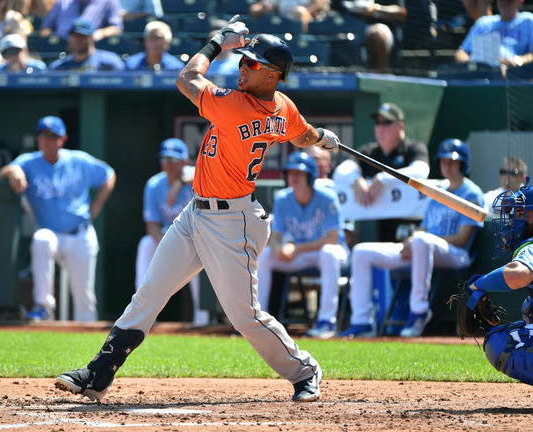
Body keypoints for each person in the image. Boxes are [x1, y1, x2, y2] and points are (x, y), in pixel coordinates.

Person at [54, 16, 342, 403]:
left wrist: (215, 43)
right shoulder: (281, 107)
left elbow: (186, 79)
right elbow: (302, 133)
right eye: (242, 60)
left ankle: (304, 369)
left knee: (245, 317)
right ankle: (98, 372)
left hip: (233, 221)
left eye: (253, 64)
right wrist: (322, 137)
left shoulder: (236, 106)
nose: (243, 66)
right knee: (150, 292)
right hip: (196, 214)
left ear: (273, 75)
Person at [338, 139, 484, 338]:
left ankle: (419, 311)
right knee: (362, 251)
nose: (447, 166)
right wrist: (409, 243)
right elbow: (423, 228)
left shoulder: (471, 193)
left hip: (457, 254)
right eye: (443, 161)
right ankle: (362, 321)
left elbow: (461, 239)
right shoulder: (439, 191)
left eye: (452, 161)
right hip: (425, 248)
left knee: (421, 241)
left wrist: (419, 241)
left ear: (463, 163)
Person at [467, 181, 533, 414]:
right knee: (532, 312)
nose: (514, 220)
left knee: (503, 340)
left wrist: (478, 284)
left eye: (522, 213)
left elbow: (517, 275)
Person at [0, 116, 117, 322]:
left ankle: (88, 338)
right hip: (51, 233)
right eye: (43, 135)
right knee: (41, 239)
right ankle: (43, 306)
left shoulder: (78, 160)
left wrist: (96, 207)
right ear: (38, 139)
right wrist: (14, 170)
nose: (47, 140)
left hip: (80, 233)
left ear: (62, 139)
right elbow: (5, 170)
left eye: (52, 136)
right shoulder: (29, 162)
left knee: (85, 298)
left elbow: (108, 174)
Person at [257, 152, 348, 339]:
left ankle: (326, 322)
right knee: (265, 256)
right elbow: (275, 236)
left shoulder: (327, 197)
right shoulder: (283, 198)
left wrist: (297, 249)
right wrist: (277, 249)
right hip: (303, 255)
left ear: (311, 175)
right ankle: (258, 320)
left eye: (300, 173)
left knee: (328, 253)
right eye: (291, 172)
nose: (294, 177)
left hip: (333, 255)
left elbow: (332, 239)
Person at [135, 138, 210, 327]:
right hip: (167, 236)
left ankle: (202, 320)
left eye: (174, 159)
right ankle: (141, 315)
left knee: (199, 254)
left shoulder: (196, 175)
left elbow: (212, 174)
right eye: (165, 159)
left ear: (185, 162)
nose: (168, 164)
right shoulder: (154, 184)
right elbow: (151, 225)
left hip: (195, 237)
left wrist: (180, 183)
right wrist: (166, 245)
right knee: (146, 244)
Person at [334, 102, 429, 243]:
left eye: (387, 122)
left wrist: (383, 179)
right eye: (378, 122)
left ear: (401, 125)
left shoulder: (413, 148)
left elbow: (421, 171)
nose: (380, 127)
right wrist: (356, 180)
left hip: (411, 228)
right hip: (378, 230)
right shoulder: (369, 151)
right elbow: (340, 172)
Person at [454, 0, 533, 69]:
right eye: (501, 0)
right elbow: (461, 53)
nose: (505, 3)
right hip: (482, 73)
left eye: (510, 0)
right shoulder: (484, 23)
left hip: (513, 74)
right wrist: (473, 65)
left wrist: (517, 60)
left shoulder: (528, 20)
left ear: (520, 2)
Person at [337, 0, 408, 72]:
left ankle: (377, 77)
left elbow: (401, 13)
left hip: (376, 25)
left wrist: (374, 9)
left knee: (377, 34)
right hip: (344, 26)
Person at [48, 18, 126, 71]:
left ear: (91, 37)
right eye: (74, 35)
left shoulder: (110, 62)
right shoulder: (58, 67)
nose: (77, 39)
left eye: (82, 36)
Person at [40, 0, 123, 41]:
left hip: (90, 51)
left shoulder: (108, 1)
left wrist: (101, 33)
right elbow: (46, 28)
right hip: (61, 51)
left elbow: (116, 28)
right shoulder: (62, 2)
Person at [248, 0, 330, 34]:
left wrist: (306, 12)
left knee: (299, 11)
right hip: (282, 24)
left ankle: (300, 43)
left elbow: (319, 4)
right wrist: (264, 8)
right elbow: (254, 9)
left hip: (308, 24)